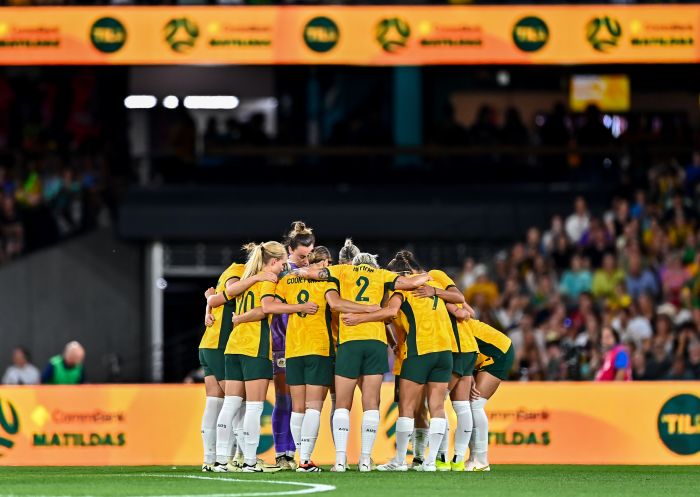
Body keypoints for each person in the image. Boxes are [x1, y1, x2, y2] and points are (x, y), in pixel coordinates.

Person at [297, 252, 430, 472]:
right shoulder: (381, 274)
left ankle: (340, 460)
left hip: (349, 341)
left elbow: (312, 273)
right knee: (371, 403)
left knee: (342, 403)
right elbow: (410, 282)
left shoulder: (342, 271)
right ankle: (366, 460)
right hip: (376, 342)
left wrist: (297, 271)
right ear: (373, 264)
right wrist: (427, 276)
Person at [263, 244, 378, 472]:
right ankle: (315, 460)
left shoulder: (287, 281)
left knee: (298, 408)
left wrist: (296, 307)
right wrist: (368, 309)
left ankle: (300, 458)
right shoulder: (327, 282)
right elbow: (337, 305)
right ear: (325, 264)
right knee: (319, 407)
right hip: (321, 347)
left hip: (293, 349)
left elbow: (270, 306)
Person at [209, 241, 318, 473]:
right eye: (281, 264)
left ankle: (219, 460)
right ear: (275, 261)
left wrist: (234, 316)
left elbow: (222, 296)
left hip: (233, 347)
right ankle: (249, 461)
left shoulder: (246, 278)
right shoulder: (268, 279)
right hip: (255, 347)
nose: (282, 269)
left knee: (230, 405)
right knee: (254, 408)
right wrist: (299, 306)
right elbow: (267, 308)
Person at [344, 252, 454, 472]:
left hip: (419, 352)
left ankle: (400, 461)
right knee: (437, 407)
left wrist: (360, 317)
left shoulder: (402, 293)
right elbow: (459, 301)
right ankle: (431, 462)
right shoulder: (434, 290)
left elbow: (391, 312)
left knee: (407, 407)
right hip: (445, 353)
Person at [198, 261, 276, 472]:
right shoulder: (240, 273)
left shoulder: (231, 271)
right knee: (238, 403)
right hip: (223, 344)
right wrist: (258, 278)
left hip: (209, 344)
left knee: (215, 403)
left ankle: (211, 459)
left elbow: (214, 298)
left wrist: (207, 306)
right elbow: (225, 294)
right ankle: (242, 457)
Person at [269, 221, 316, 469]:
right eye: (302, 256)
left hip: (307, 345)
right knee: (284, 400)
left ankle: (300, 454)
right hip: (283, 343)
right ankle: (281, 453)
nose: (306, 261)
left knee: (305, 404)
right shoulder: (280, 272)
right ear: (290, 249)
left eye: (309, 256)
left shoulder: (313, 272)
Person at [464, 319, 514, 471]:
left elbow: (466, 347)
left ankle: (481, 460)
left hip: (499, 352)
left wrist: (467, 374)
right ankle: (472, 458)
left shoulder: (451, 320)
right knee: (466, 405)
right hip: (479, 354)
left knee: (475, 403)